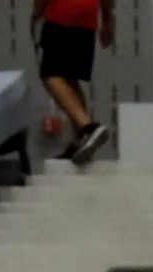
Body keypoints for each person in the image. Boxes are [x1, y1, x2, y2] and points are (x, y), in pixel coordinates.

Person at [35, 0, 115, 164]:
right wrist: (107, 20)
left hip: (61, 14)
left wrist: (38, 11)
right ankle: (79, 142)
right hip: (88, 19)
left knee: (50, 75)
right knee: (70, 80)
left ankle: (88, 128)